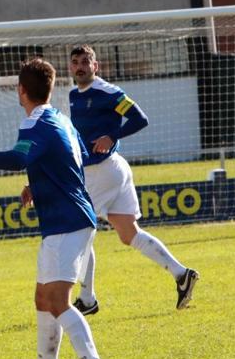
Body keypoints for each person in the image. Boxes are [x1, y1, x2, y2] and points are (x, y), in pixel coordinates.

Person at [0, 58, 102, 359]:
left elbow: (17, 159)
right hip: (68, 220)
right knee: (43, 300)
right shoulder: (60, 118)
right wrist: (36, 182)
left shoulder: (33, 123)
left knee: (58, 301)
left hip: (66, 222)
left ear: (21, 90)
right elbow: (78, 157)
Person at [66, 44, 199, 313]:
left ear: (96, 66)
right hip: (112, 169)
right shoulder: (73, 94)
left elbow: (140, 118)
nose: (79, 66)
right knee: (129, 234)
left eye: (85, 61)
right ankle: (181, 274)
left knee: (80, 231)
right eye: (75, 62)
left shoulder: (108, 91)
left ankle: (88, 300)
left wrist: (112, 137)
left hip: (101, 171)